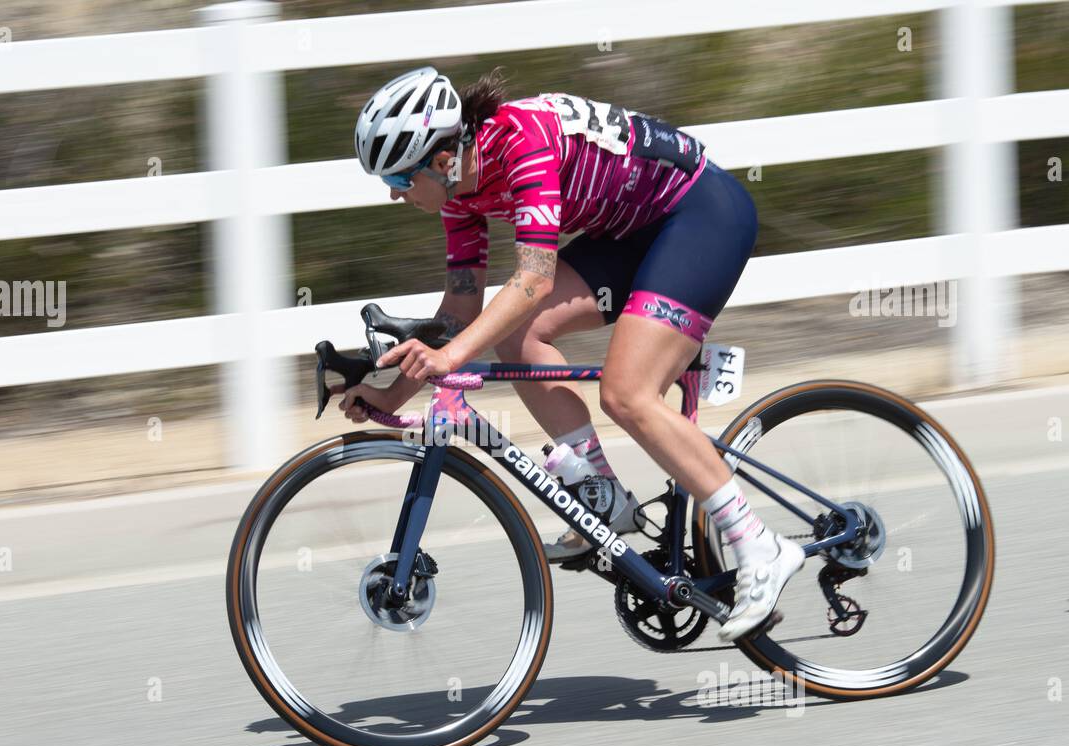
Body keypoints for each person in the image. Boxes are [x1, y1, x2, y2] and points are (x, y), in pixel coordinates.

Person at [342, 65, 802, 642]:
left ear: (439, 160)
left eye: (398, 177)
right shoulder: (459, 189)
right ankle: (599, 494)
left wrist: (453, 355)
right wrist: (389, 388)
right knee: (514, 335)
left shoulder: (522, 140)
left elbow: (532, 279)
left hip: (700, 215)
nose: (392, 192)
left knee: (627, 394)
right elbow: (460, 309)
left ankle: (761, 547)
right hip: (634, 232)